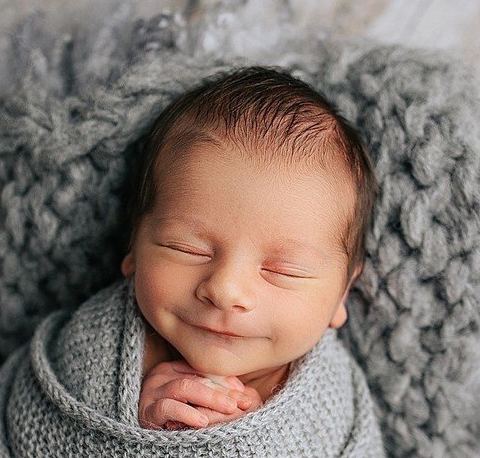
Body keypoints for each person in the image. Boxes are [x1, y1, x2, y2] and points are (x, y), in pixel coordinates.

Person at [118, 64, 377, 430]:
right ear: (135, 244)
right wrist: (131, 414)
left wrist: (253, 455)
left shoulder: (331, 407)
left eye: (282, 270)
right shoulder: (104, 352)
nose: (225, 290)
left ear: (342, 293)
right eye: (188, 249)